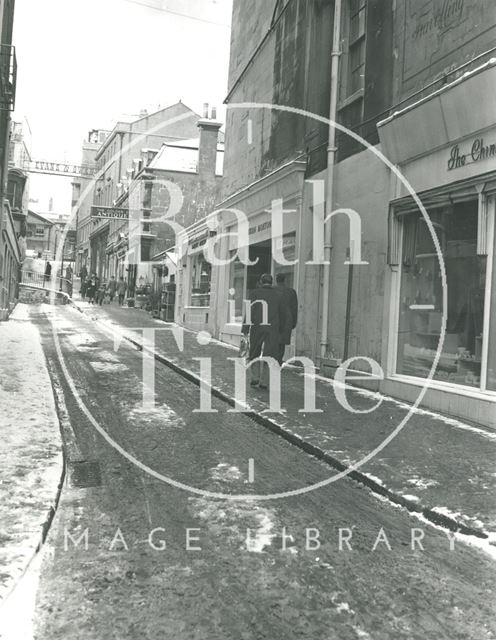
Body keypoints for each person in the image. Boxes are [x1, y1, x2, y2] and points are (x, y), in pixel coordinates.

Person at [241, 273, 289, 389]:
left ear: (261, 282)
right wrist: (281, 330)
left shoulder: (254, 294)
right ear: (271, 282)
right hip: (273, 329)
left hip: (257, 327)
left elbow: (249, 312)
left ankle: (255, 378)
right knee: (270, 355)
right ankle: (265, 381)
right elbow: (284, 315)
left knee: (254, 353)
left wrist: (246, 329)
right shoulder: (278, 295)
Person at [275, 273, 298, 364]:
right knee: (281, 343)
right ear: (284, 280)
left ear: (276, 280)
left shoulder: (272, 290)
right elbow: (294, 308)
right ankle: (279, 360)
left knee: (273, 341)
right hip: (286, 320)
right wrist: (293, 322)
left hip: (274, 319)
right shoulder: (291, 292)